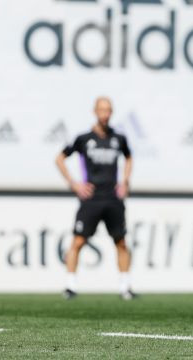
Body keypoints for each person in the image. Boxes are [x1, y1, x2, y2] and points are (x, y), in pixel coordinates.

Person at [56, 96, 135, 300]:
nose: (105, 114)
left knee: (121, 243)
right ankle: (70, 286)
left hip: (112, 199)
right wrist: (74, 184)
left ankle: (125, 287)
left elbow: (129, 157)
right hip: (91, 199)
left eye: (108, 110)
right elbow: (60, 158)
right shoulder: (84, 139)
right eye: (102, 110)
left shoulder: (119, 139)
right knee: (78, 242)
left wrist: (125, 182)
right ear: (95, 111)